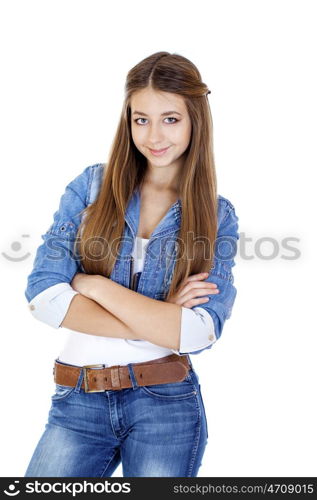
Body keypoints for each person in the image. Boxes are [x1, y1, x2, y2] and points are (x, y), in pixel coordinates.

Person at [24, 51, 239, 477]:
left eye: (170, 119)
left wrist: (94, 286)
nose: (154, 135)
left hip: (166, 405)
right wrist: (163, 319)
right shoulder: (91, 187)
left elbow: (199, 331)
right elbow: (44, 298)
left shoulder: (216, 215)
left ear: (196, 119)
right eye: (141, 119)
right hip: (78, 399)